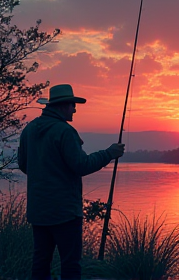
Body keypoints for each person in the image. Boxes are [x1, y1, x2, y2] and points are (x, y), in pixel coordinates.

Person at [17, 84, 125, 280]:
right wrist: (109, 153)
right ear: (62, 105)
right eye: (72, 105)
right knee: (71, 265)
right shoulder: (65, 132)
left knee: (40, 262)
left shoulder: (29, 130)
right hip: (65, 212)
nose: (75, 109)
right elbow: (81, 165)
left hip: (38, 211)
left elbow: (24, 165)